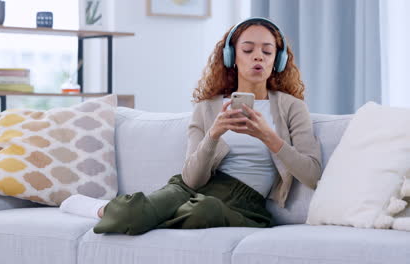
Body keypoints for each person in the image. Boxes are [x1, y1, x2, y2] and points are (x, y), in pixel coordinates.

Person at [60, 17, 322, 235]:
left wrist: (269, 137)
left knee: (202, 211)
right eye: (248, 49)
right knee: (129, 217)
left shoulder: (292, 107)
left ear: (279, 60)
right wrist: (214, 134)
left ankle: (145, 215)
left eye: (267, 51)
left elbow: (312, 174)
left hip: (245, 203)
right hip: (189, 189)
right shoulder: (208, 107)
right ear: (231, 56)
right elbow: (191, 179)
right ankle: (99, 208)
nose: (258, 58)